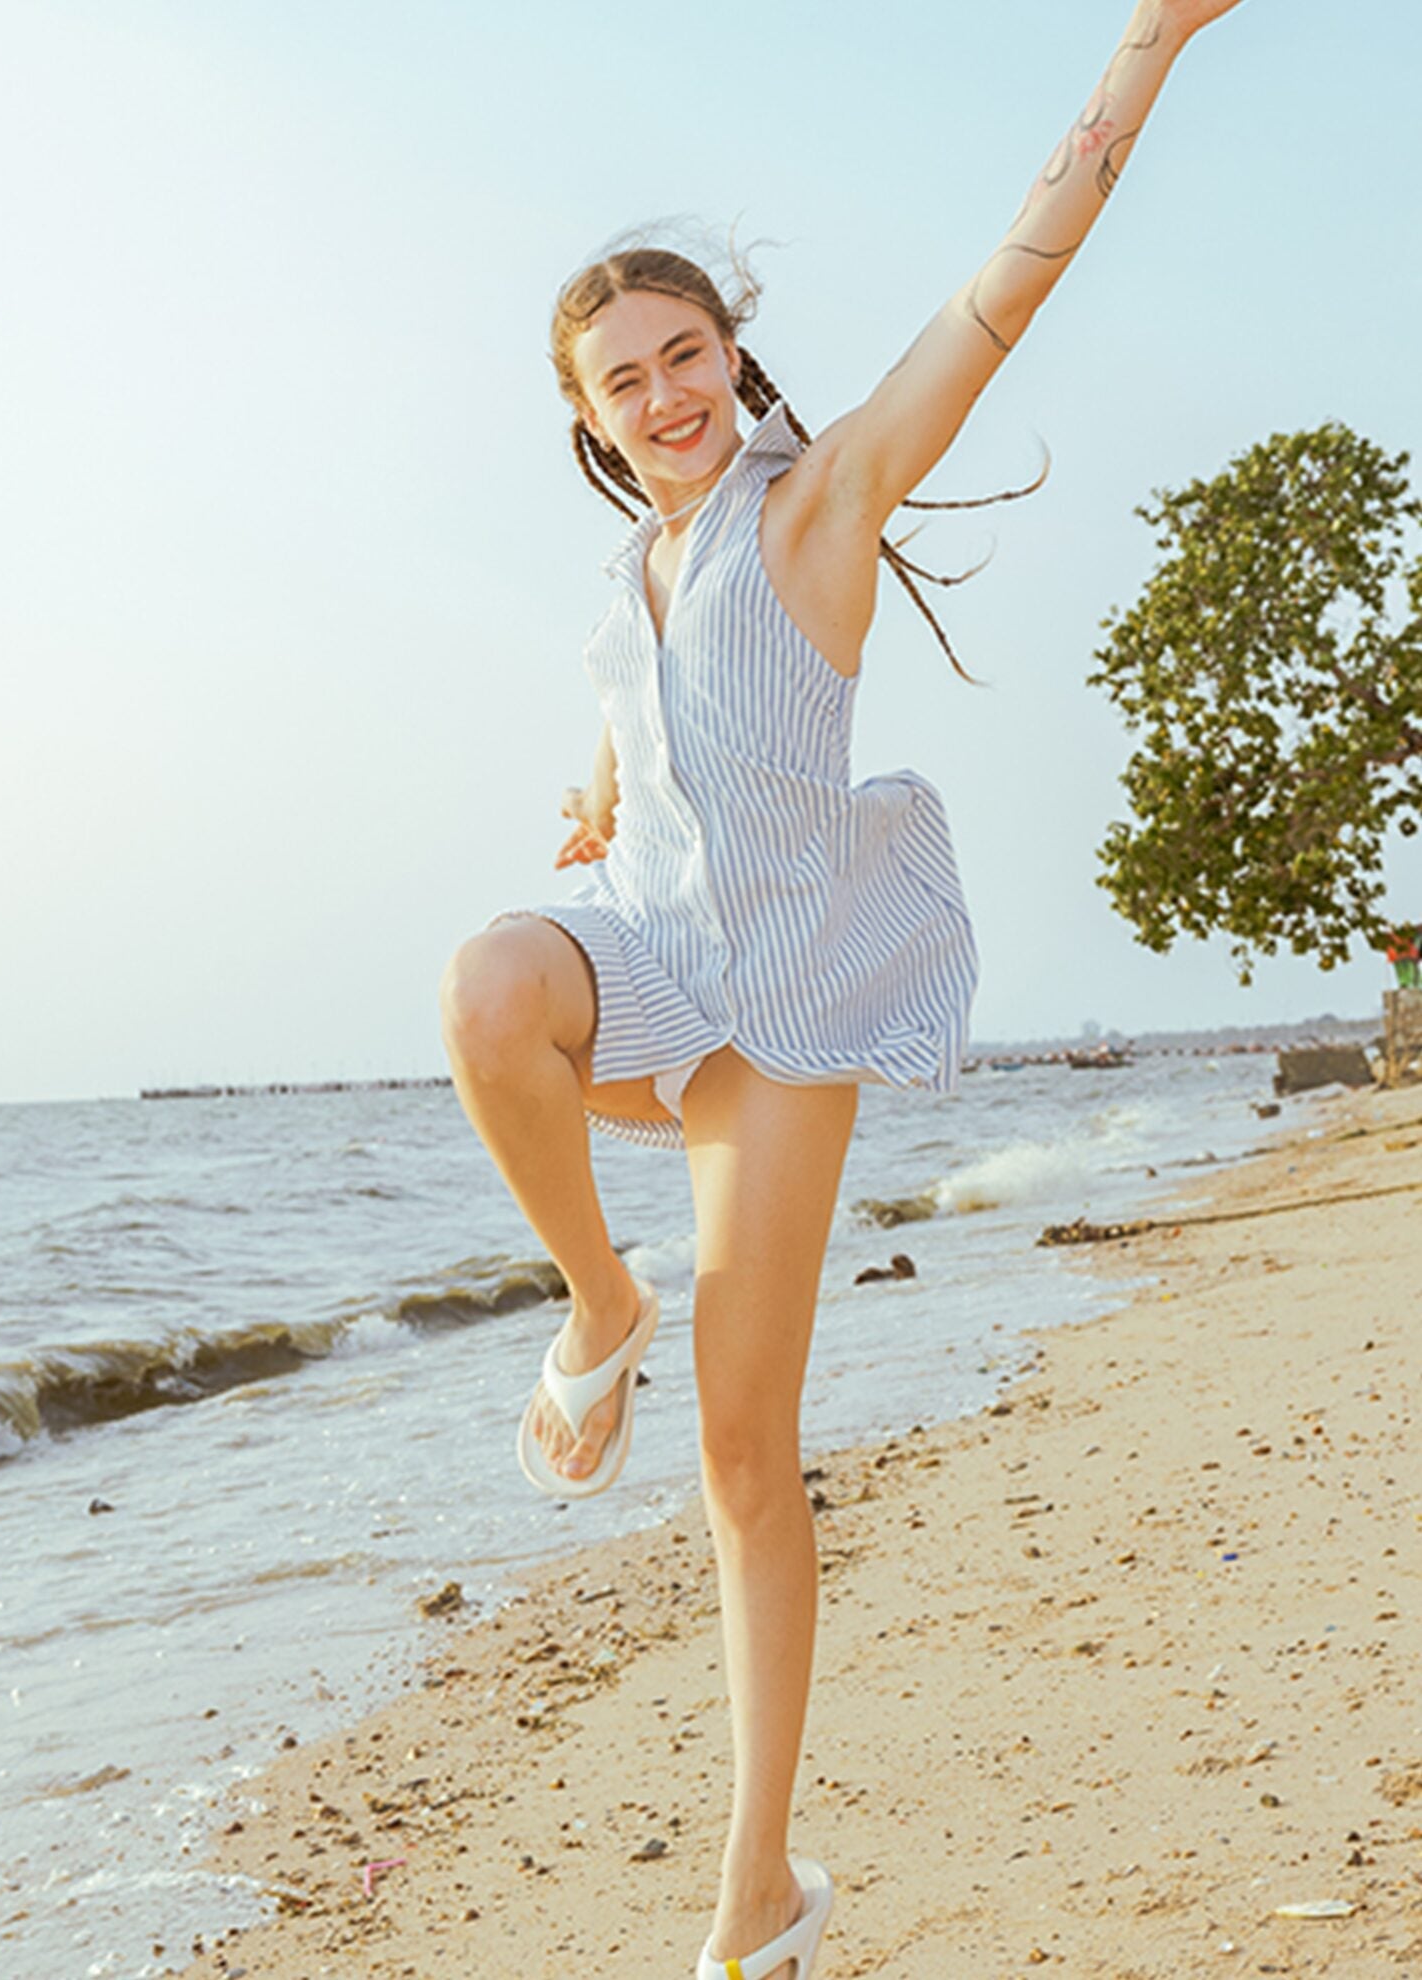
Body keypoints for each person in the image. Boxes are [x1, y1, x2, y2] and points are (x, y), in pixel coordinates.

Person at [439, 3, 1244, 1971]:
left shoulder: (817, 505)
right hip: (650, 966)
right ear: (592, 418)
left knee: (738, 1456)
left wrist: (1147, 44)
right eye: (622, 382)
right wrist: (600, 796)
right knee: (483, 989)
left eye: (686, 356)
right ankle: (598, 1300)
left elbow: (1014, 279)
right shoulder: (636, 580)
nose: (663, 394)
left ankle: (759, 1879)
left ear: (732, 357)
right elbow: (655, 742)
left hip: (782, 1016)